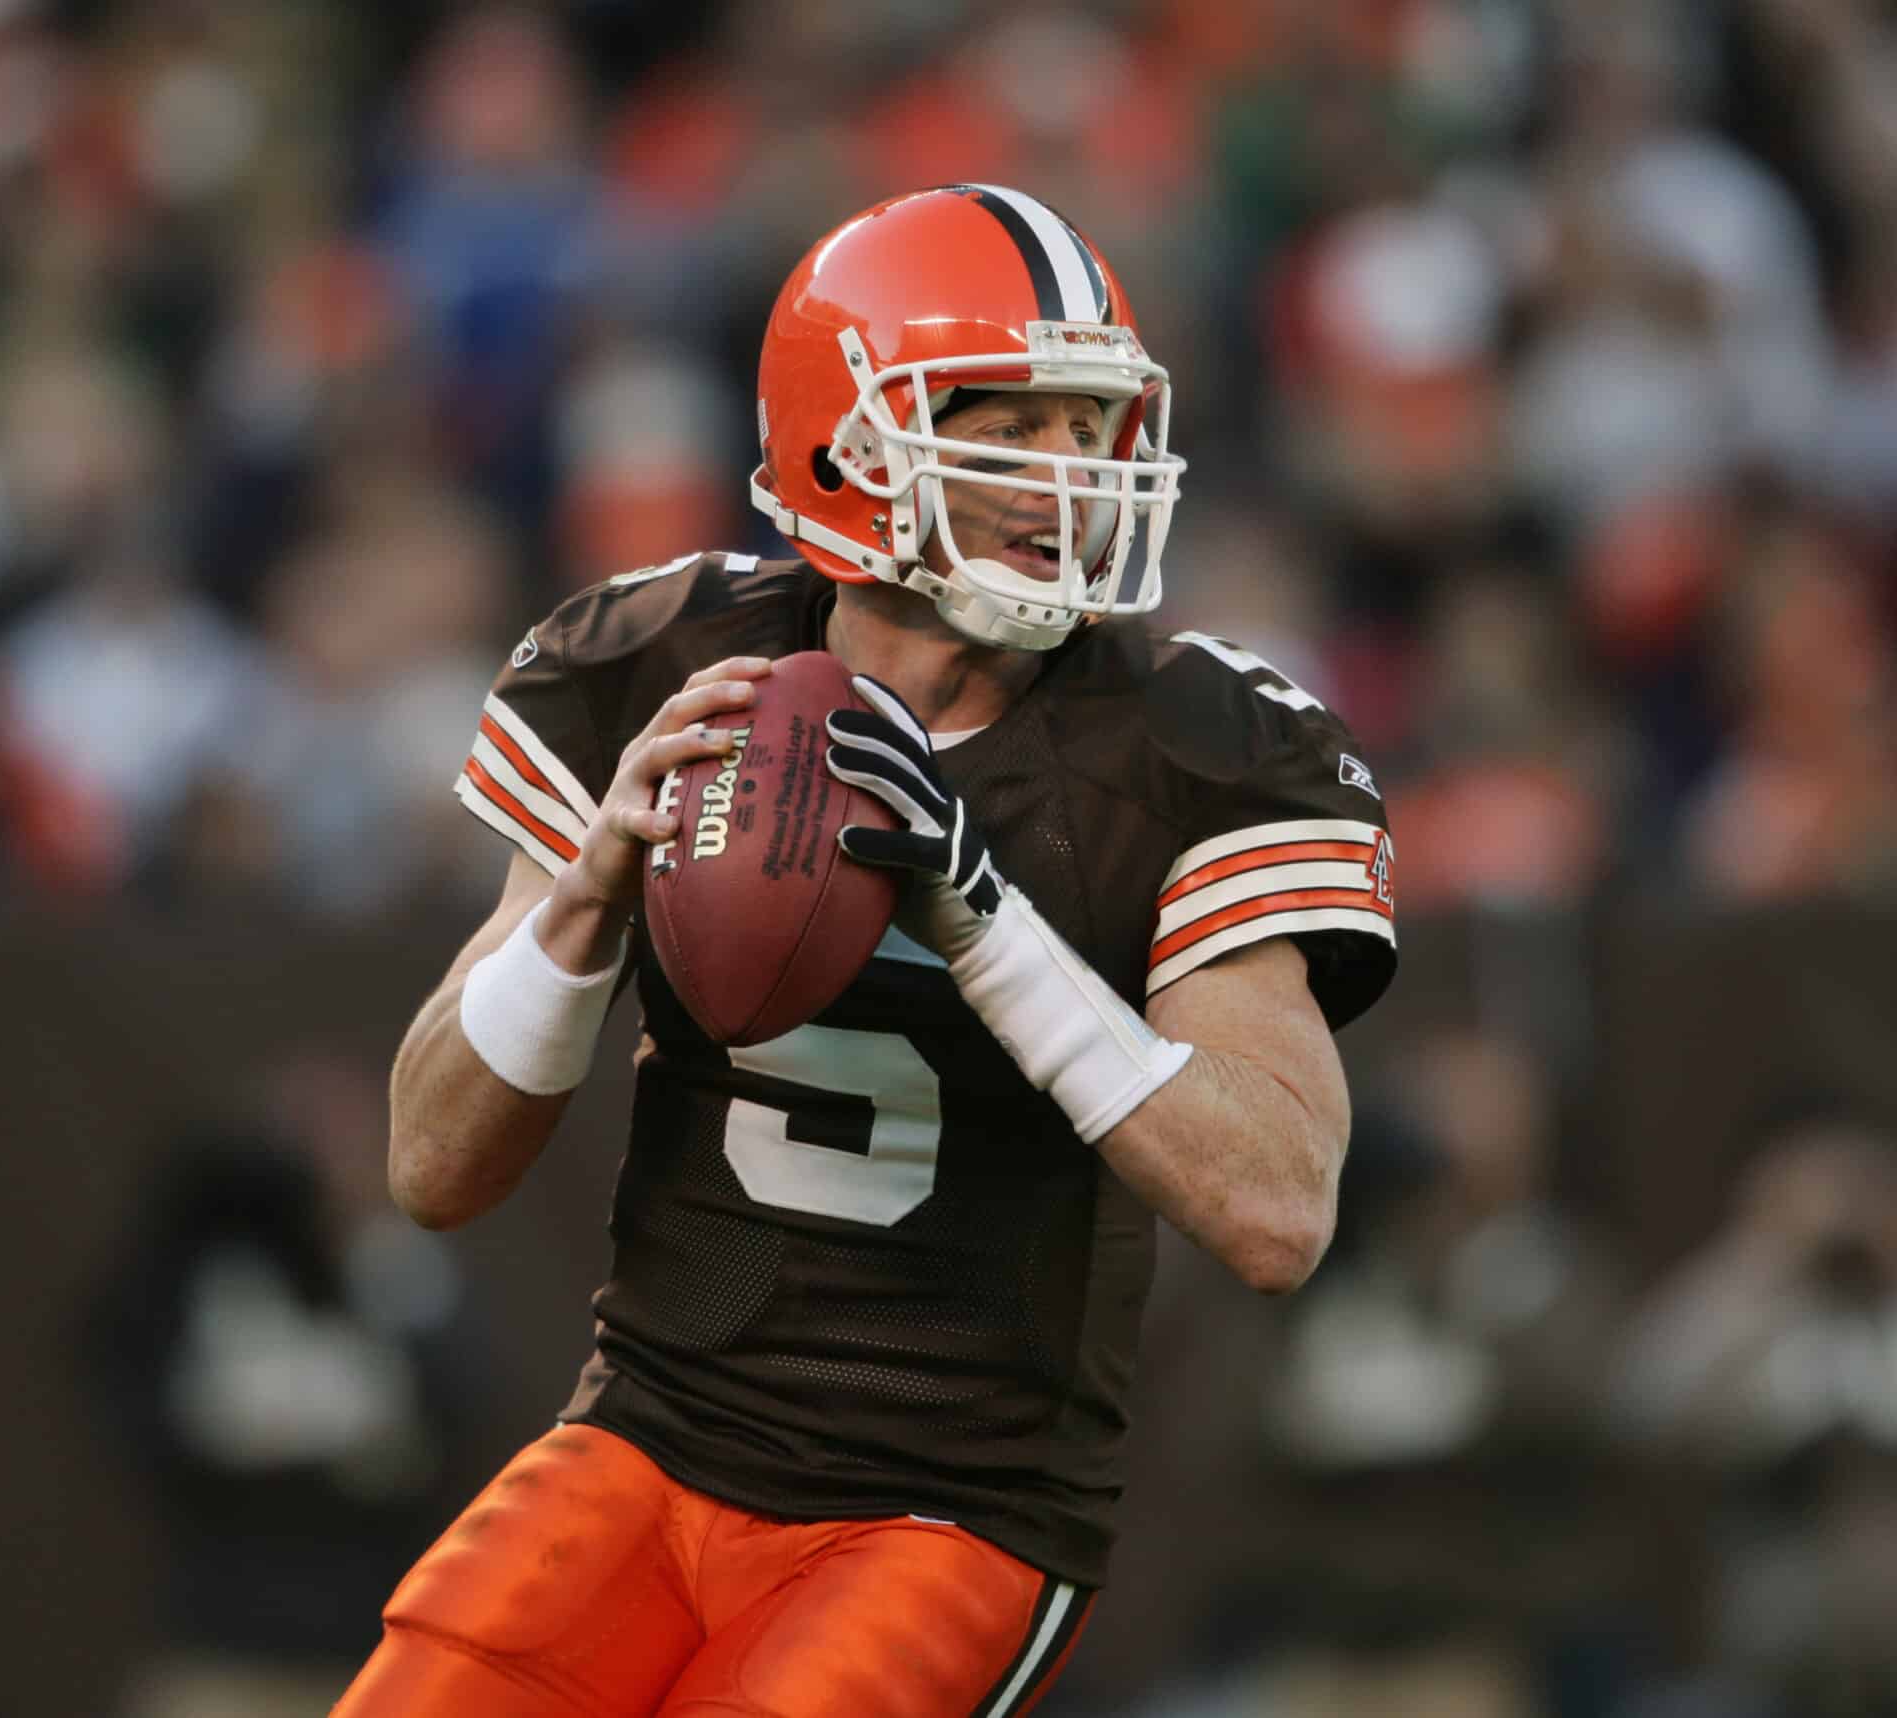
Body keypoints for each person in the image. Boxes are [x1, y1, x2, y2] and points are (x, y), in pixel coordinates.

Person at [335, 184, 1400, 1718]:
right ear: (847, 450)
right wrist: (584, 897)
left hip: (950, 1505)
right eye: (1010, 425)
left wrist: (984, 917)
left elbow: (1277, 1208)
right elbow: (434, 1165)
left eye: (1088, 427)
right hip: (652, 1431)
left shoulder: (1193, 745)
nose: (1069, 476)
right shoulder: (661, 666)